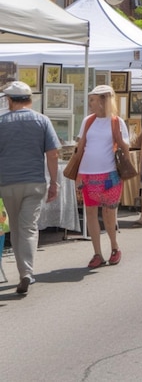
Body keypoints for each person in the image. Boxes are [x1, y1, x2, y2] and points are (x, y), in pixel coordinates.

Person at [0, 81, 60, 295]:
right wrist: (54, 182)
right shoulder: (42, 120)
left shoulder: (1, 121)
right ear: (29, 99)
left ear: (9, 100)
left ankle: (24, 271)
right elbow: (52, 154)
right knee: (29, 228)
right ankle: (26, 272)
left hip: (7, 183)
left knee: (16, 228)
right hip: (34, 182)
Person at [76, 85, 130, 269]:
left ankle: (114, 247)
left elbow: (125, 147)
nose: (90, 103)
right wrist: (78, 174)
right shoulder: (87, 121)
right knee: (90, 212)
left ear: (103, 100)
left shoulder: (116, 122)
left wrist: (121, 140)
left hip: (110, 173)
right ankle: (97, 253)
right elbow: (81, 147)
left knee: (109, 212)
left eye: (93, 99)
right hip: (88, 173)